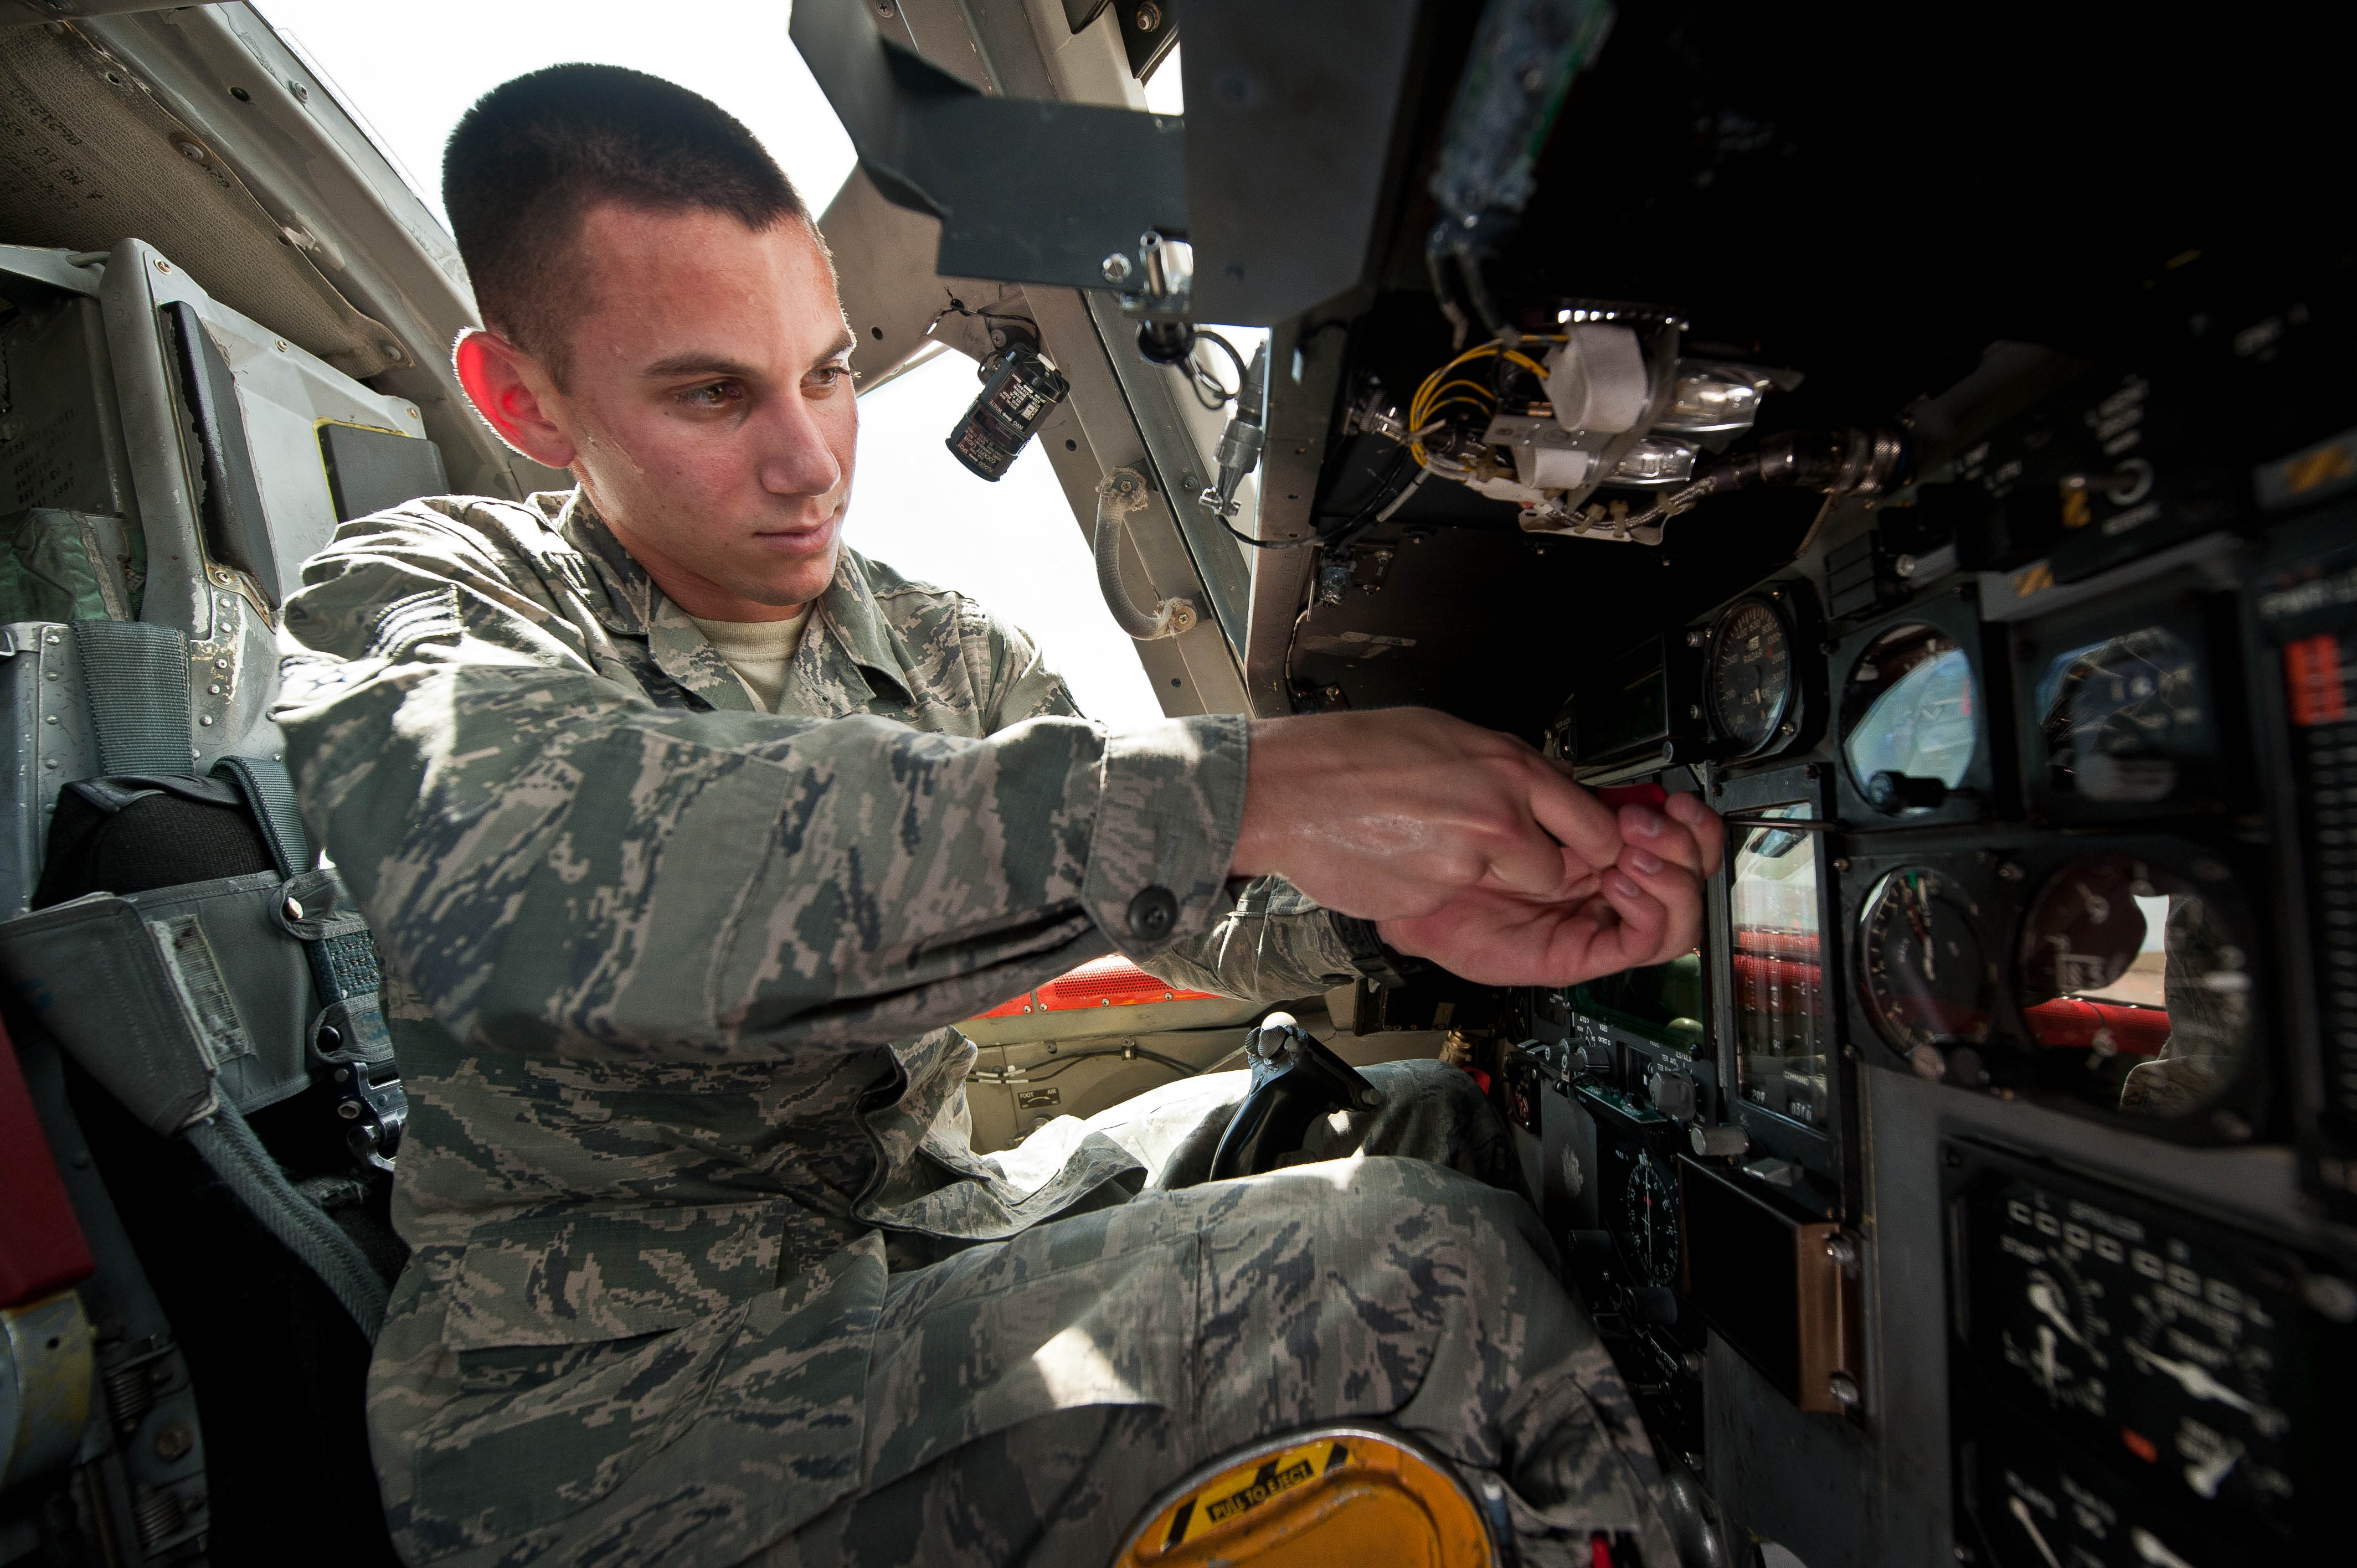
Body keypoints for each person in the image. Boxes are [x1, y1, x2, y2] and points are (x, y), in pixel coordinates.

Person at [272, 64, 1725, 1568]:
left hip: (909, 1242)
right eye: (712, 392)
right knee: (1430, 1264)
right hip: (623, 1421)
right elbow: (537, 870)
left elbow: (1201, 883)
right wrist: (1264, 782)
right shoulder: (427, 598)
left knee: (1418, 1118)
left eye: (826, 373)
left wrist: (1396, 905)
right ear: (525, 399)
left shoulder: (926, 643)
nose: (808, 461)